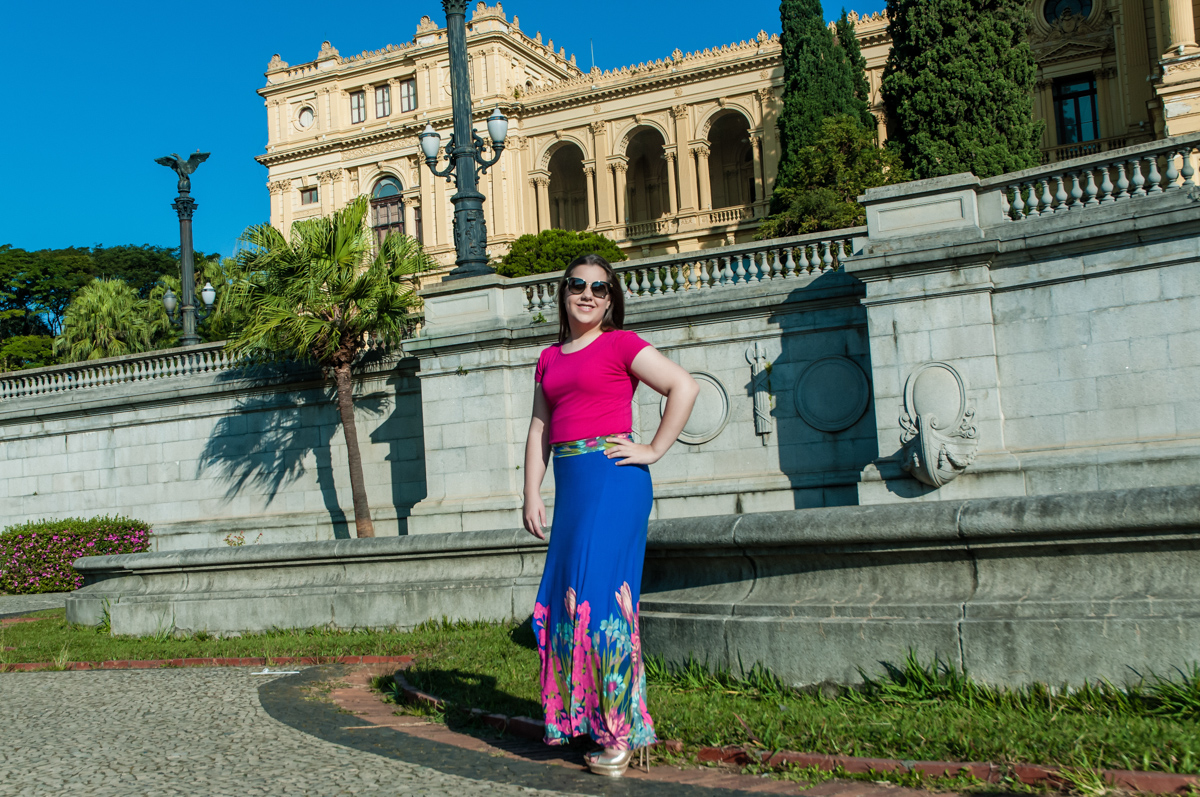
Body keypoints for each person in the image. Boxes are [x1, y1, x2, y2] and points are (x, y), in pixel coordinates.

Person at [522, 253, 699, 778]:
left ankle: (619, 735)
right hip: (572, 488)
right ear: (563, 291)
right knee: (566, 601)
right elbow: (538, 429)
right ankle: (589, 721)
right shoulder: (549, 357)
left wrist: (653, 449)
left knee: (601, 608)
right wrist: (531, 492)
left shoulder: (621, 344)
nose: (588, 295)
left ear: (611, 299)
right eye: (578, 285)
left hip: (615, 481)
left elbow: (683, 387)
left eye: (600, 289)